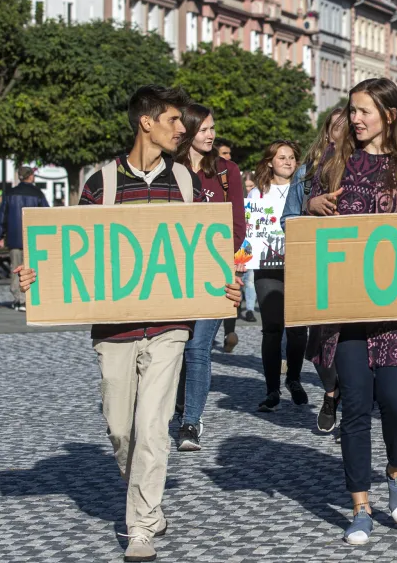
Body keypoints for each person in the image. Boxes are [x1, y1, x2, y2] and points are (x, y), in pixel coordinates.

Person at [15, 85, 243, 562]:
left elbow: (205, 251)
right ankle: (145, 495)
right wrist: (35, 274)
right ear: (146, 122)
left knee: (153, 428)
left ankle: (140, 524)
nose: (183, 129)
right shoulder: (100, 183)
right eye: (174, 120)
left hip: (168, 327)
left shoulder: (187, 183)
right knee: (121, 430)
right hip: (113, 331)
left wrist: (225, 285)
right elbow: (70, 252)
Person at [303, 77, 397, 545]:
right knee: (356, 407)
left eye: (363, 110)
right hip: (347, 307)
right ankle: (360, 506)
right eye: (351, 110)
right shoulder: (335, 160)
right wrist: (312, 202)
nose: (354, 118)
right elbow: (301, 203)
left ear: (388, 114)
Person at [172, 103, 245, 452]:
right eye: (203, 129)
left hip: (215, 273)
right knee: (174, 346)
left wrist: (229, 263)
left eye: (212, 128)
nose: (211, 134)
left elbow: (238, 226)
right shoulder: (168, 170)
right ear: (185, 131)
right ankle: (178, 402)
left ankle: (191, 421)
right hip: (173, 273)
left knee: (198, 346)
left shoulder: (227, 171)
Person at [280, 105, 348, 434]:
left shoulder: (368, 170)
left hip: (357, 269)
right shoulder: (307, 173)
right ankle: (332, 392)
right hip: (319, 268)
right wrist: (309, 206)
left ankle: (350, 401)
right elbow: (287, 220)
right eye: (338, 127)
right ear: (327, 131)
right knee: (319, 343)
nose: (344, 132)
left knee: (352, 340)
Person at [249, 140, 309, 412]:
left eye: (292, 157)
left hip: (299, 266)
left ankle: (293, 378)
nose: (288, 161)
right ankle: (272, 388)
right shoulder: (256, 195)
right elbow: (247, 234)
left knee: (298, 330)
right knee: (272, 328)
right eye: (282, 157)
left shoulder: (304, 190)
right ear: (269, 162)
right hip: (267, 268)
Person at [0, 166, 48, 312]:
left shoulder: (10, 194)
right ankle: (29, 298)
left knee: (15, 268)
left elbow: (2, 216)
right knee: (31, 267)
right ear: (30, 177)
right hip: (33, 238)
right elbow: (46, 215)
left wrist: (0, 236)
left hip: (14, 238)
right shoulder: (37, 193)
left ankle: (18, 299)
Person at [239, 171, 258, 323]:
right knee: (238, 277)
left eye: (252, 186)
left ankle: (250, 309)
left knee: (250, 279)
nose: (249, 190)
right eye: (247, 187)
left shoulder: (258, 199)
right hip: (240, 242)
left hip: (252, 242)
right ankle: (236, 307)